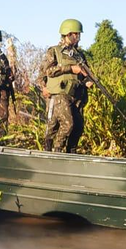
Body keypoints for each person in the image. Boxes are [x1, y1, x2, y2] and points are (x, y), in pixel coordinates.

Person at [39, 19, 94, 153]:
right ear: (66, 34)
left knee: (78, 126)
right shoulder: (54, 51)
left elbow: (84, 73)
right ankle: (56, 150)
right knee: (66, 124)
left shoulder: (79, 55)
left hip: (76, 94)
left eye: (78, 34)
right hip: (59, 93)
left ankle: (71, 151)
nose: (77, 37)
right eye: (74, 34)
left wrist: (87, 81)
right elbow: (47, 71)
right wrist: (70, 68)